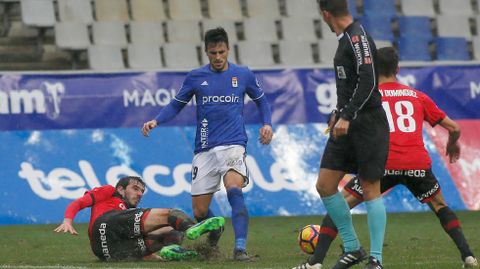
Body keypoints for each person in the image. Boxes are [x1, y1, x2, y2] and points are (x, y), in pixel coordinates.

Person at [299, 47, 479, 269]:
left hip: (382, 161)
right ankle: (468, 257)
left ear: (372, 69)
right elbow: (454, 127)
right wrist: (452, 144)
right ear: (398, 69)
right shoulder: (417, 96)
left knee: (342, 204)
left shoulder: (368, 98)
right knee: (439, 205)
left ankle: (316, 262)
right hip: (417, 163)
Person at [141, 27, 273, 261]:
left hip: (234, 144)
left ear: (228, 49)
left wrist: (267, 124)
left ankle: (240, 249)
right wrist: (156, 120)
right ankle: (215, 228)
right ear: (206, 52)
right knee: (200, 212)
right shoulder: (195, 77)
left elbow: (262, 102)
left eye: (222, 52)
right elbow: (176, 104)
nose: (218, 57)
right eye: (213, 53)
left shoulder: (243, 75)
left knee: (234, 189)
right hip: (205, 148)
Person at [294, 1, 390, 268]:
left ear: (326, 14)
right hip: (346, 122)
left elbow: (369, 80)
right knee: (325, 184)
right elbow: (352, 84)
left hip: (367, 123)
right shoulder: (346, 38)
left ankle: (376, 260)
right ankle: (352, 247)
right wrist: (339, 111)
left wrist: (347, 115)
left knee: (370, 188)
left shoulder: (357, 36)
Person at [54, 176, 225, 261]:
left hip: (106, 253)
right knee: (170, 214)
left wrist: (157, 258)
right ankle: (191, 228)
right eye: (135, 189)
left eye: (142, 191)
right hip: (104, 225)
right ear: (121, 189)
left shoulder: (127, 214)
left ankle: (171, 250)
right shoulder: (109, 191)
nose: (139, 194)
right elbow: (79, 203)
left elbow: (141, 250)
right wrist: (67, 220)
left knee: (171, 233)